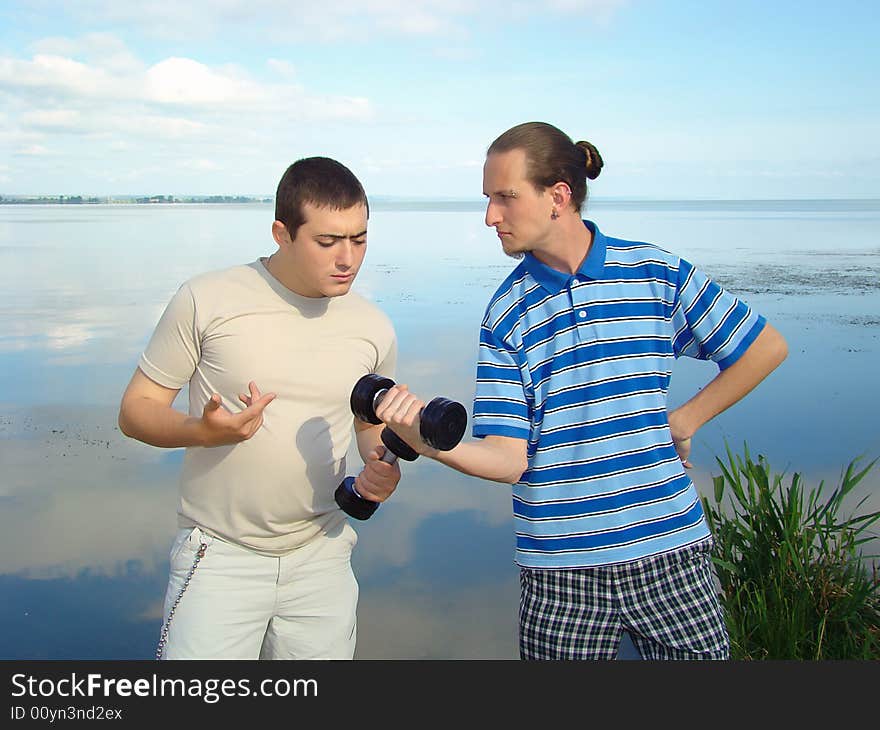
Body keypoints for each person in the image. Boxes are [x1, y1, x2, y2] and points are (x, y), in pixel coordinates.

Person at [374, 122, 788, 660]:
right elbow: (507, 460)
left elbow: (764, 348)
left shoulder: (654, 273)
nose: (489, 216)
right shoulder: (507, 314)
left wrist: (685, 419)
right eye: (488, 199)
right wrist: (430, 445)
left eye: (505, 197)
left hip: (671, 551)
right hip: (558, 572)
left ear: (558, 197)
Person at [117, 157, 399, 660]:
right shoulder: (207, 299)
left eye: (358, 239)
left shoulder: (372, 326)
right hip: (218, 556)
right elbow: (135, 411)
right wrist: (202, 431)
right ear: (281, 233)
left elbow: (367, 425)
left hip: (324, 555)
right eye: (327, 241)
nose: (347, 259)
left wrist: (380, 466)